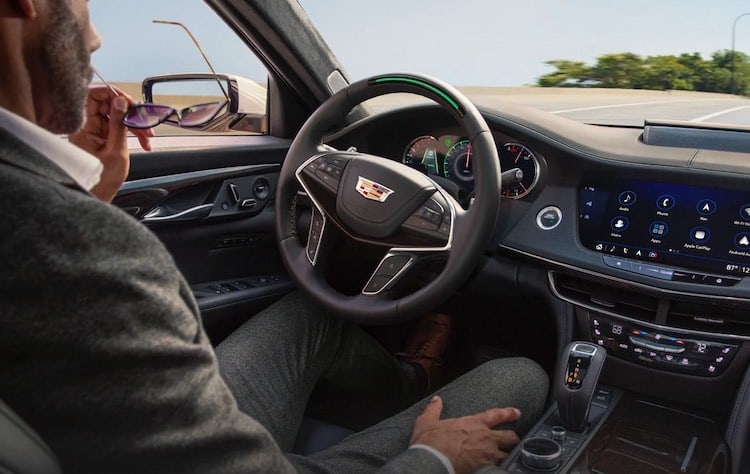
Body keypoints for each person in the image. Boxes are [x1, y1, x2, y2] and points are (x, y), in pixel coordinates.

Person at [0, 1, 549, 473]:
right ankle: (421, 401)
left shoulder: (42, 220)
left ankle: (411, 381)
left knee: (312, 315)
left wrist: (90, 191)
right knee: (521, 376)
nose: (94, 35)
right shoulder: (77, 250)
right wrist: (432, 459)